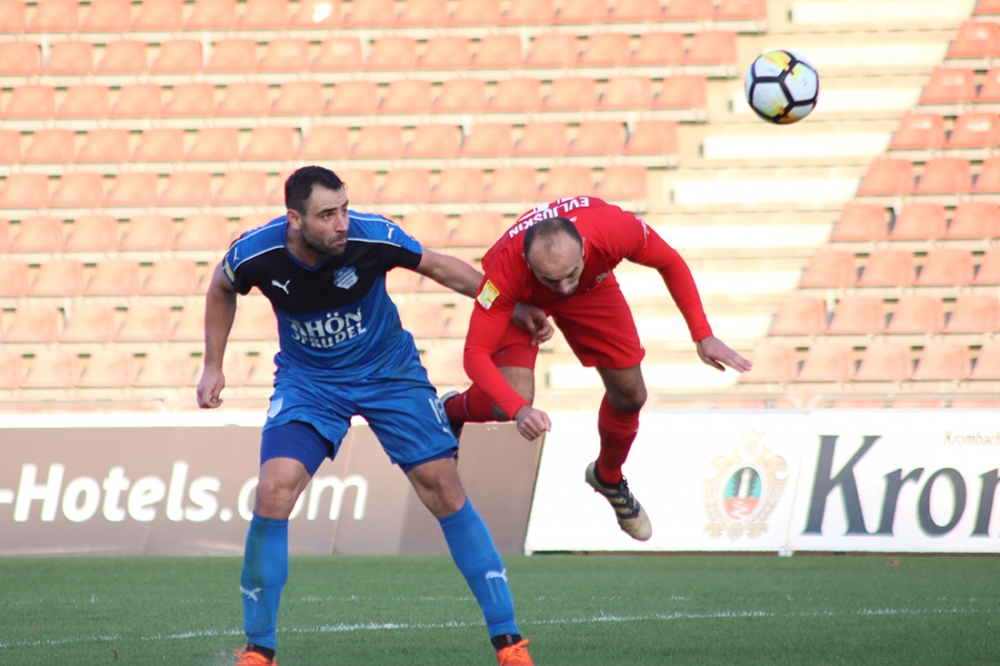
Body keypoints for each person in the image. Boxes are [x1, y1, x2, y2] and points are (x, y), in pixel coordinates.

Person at [196, 166, 535, 666]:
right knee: (273, 489)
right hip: (310, 384)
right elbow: (221, 288)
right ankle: (258, 650)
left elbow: (441, 267)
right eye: (327, 215)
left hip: (389, 374)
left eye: (344, 209)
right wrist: (213, 364)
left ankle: (509, 643)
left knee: (444, 488)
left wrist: (508, 306)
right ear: (294, 219)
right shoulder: (256, 253)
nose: (342, 223)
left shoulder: (373, 236)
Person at [443, 196, 752, 542]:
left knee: (631, 395)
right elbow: (474, 355)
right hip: (524, 298)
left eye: (569, 273)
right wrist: (520, 410)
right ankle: (449, 411)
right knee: (508, 399)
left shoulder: (614, 229)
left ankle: (608, 477)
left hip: (591, 289)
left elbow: (670, 261)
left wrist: (702, 334)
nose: (563, 287)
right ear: (528, 264)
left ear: (584, 248)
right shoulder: (505, 272)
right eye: (551, 278)